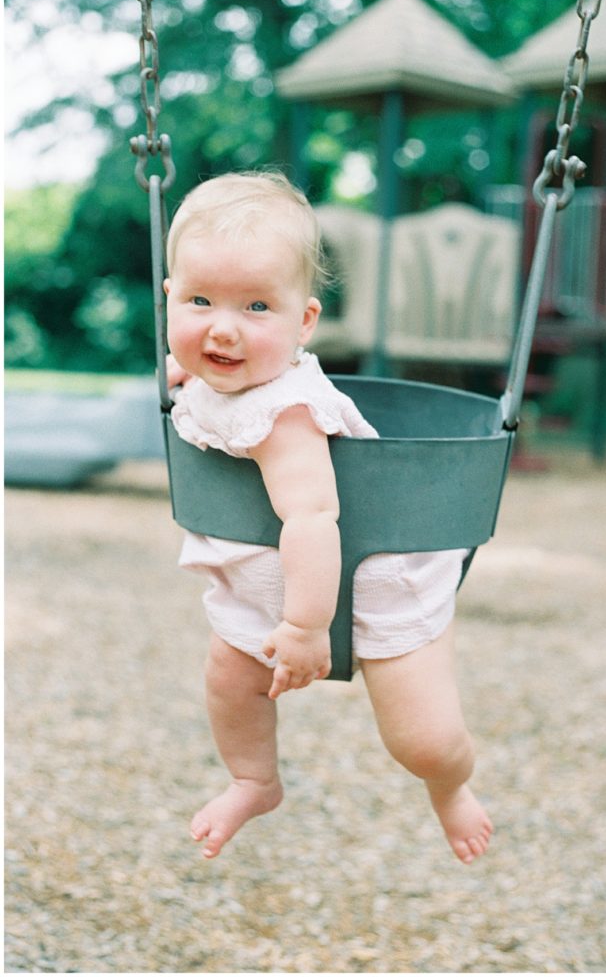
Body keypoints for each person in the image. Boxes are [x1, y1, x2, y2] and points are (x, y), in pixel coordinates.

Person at [164, 170, 493, 864]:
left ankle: (452, 788)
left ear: (303, 322)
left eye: (256, 307)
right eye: (200, 300)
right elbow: (200, 367)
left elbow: (313, 516)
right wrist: (182, 372)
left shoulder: (284, 414)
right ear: (169, 299)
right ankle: (254, 779)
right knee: (228, 681)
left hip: (363, 588)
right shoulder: (210, 371)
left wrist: (309, 627)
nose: (222, 327)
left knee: (423, 742)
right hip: (266, 595)